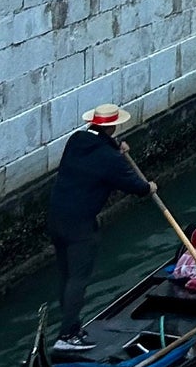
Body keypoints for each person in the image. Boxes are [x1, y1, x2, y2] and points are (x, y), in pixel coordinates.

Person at [47, 103, 156, 353]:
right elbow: (135, 187)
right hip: (81, 226)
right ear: (112, 126)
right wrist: (150, 187)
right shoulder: (109, 160)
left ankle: (70, 326)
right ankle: (68, 335)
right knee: (78, 278)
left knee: (65, 276)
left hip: (56, 219)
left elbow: (97, 151)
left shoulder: (76, 141)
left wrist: (116, 147)